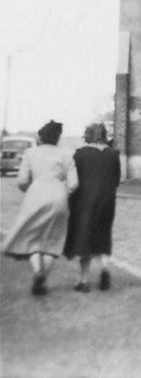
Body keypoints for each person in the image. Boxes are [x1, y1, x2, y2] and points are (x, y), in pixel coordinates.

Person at [2, 120, 78, 296]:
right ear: (58, 137)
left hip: (36, 196)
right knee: (54, 239)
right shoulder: (67, 155)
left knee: (32, 237)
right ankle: (44, 279)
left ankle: (37, 272)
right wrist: (63, 190)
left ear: (41, 137)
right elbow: (74, 184)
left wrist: (30, 190)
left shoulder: (30, 153)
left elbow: (21, 181)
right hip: (59, 197)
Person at [63, 122, 121, 292]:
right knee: (103, 234)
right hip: (107, 200)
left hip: (85, 201)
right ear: (104, 135)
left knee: (85, 237)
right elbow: (116, 180)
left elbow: (74, 180)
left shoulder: (80, 154)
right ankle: (104, 269)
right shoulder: (113, 154)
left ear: (87, 135)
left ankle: (84, 280)